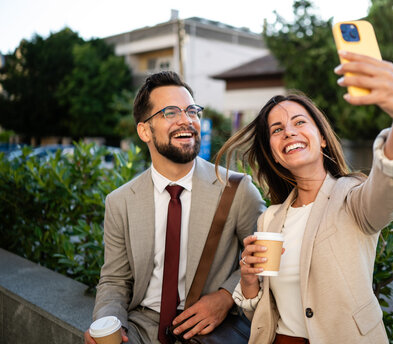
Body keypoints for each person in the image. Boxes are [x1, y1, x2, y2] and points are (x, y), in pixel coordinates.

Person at [215, 50, 393, 344]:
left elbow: (389, 189)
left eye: (300, 123)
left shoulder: (353, 198)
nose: (288, 132)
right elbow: (261, 315)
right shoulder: (270, 219)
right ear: (274, 155)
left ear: (322, 137)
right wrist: (249, 281)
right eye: (277, 130)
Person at [84, 71, 265, 344]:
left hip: (209, 330)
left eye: (192, 110)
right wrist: (109, 324)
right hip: (141, 327)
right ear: (144, 130)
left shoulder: (237, 189)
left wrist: (226, 296)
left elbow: (264, 258)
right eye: (170, 112)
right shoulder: (120, 202)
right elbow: (115, 280)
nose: (186, 120)